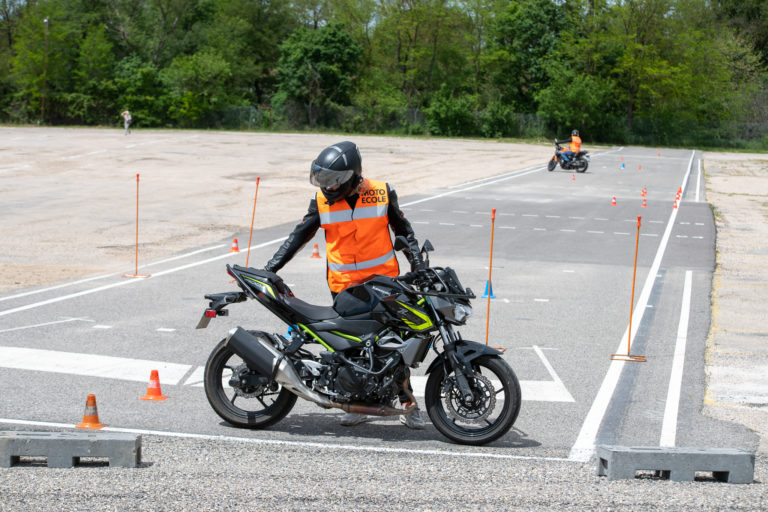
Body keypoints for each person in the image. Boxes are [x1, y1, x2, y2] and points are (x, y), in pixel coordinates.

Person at [264, 141, 426, 429]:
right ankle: (358, 403)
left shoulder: (381, 192)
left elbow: (405, 232)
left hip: (384, 284)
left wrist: (419, 267)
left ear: (352, 176)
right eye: (323, 179)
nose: (328, 186)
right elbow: (298, 237)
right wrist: (270, 269)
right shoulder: (321, 201)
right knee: (350, 348)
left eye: (334, 181)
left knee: (394, 347)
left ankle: (407, 404)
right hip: (344, 285)